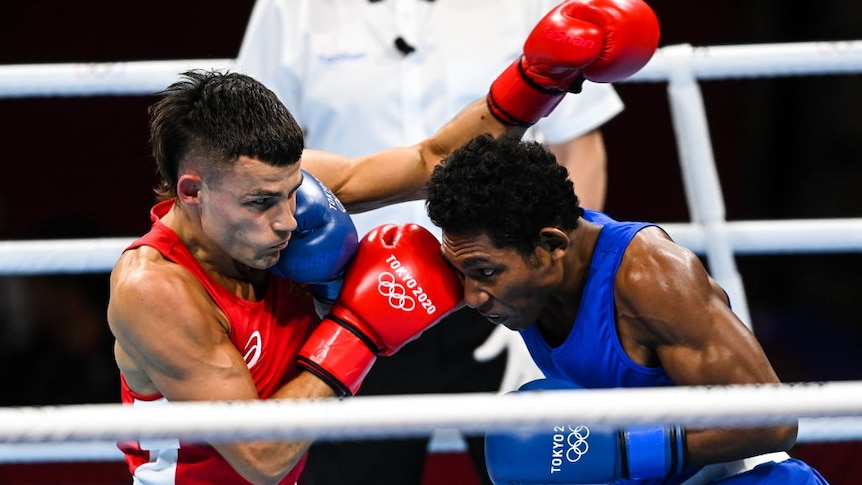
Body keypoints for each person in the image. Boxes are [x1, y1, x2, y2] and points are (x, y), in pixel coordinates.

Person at [106, 1, 661, 484]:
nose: (287, 222)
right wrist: (359, 330)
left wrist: (534, 81)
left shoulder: (276, 195)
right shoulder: (157, 289)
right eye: (260, 204)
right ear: (192, 192)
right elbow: (262, 454)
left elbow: (431, 161)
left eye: (291, 194)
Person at [424, 134, 830, 484]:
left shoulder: (651, 279)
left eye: (485, 272)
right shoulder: (528, 282)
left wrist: (621, 452)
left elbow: (772, 422)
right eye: (461, 272)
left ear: (551, 246)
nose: (473, 295)